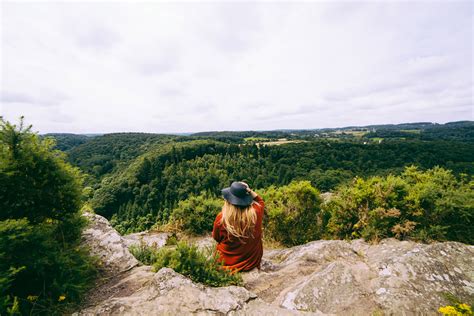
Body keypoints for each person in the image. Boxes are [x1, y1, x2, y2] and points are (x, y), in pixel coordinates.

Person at [212, 181, 265, 273]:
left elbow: (216, 238)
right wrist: (249, 191)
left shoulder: (222, 219)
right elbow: (260, 201)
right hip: (250, 263)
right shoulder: (256, 213)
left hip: (225, 265)